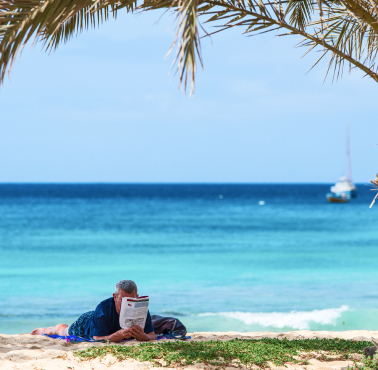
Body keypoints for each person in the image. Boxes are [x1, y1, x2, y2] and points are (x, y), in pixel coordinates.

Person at [31, 280, 156, 342]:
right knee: (64, 330)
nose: (126, 303)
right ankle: (45, 329)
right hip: (87, 323)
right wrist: (119, 335)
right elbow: (97, 339)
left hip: (102, 322)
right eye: (122, 299)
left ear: (137, 297)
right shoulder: (103, 309)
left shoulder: (140, 308)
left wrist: (144, 336)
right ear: (114, 297)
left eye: (131, 299)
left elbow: (152, 336)